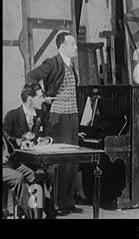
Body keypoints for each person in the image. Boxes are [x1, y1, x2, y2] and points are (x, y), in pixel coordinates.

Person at [26, 31, 83, 215]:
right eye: (72, 44)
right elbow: (31, 76)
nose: (76, 47)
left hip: (72, 117)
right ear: (62, 47)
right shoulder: (53, 62)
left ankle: (68, 202)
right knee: (60, 162)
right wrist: (42, 96)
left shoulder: (71, 66)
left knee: (72, 161)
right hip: (58, 118)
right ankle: (57, 204)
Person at [2, 83, 55, 218]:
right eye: (40, 96)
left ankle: (39, 212)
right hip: (13, 161)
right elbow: (8, 140)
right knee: (26, 176)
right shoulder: (12, 116)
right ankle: (33, 213)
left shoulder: (41, 114)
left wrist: (42, 140)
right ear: (30, 99)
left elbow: (8, 138)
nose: (43, 99)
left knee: (39, 175)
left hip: (28, 161)